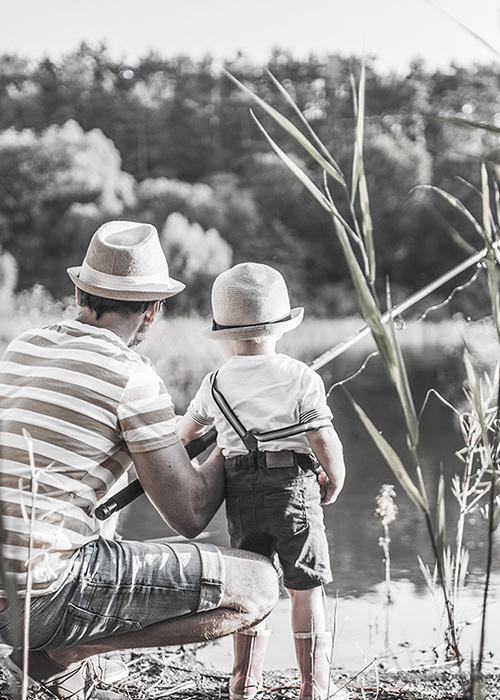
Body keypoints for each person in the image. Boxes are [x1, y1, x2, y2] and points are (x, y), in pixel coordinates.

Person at [0, 222, 279, 700]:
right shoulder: (132, 375)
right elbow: (189, 515)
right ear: (152, 311)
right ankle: (61, 655)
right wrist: (233, 439)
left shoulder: (23, 347)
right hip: (35, 599)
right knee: (258, 586)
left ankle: (52, 660)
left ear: (80, 291)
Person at [177, 262, 348, 700]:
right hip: (293, 487)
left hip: (240, 494)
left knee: (253, 585)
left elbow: (187, 434)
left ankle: (243, 683)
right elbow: (320, 434)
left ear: (225, 335)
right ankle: (315, 687)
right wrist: (336, 475)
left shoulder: (214, 383)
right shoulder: (300, 376)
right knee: (305, 586)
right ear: (281, 328)